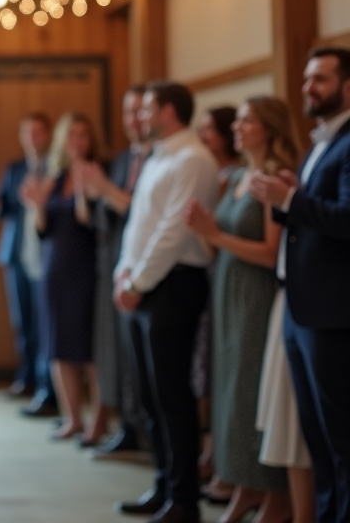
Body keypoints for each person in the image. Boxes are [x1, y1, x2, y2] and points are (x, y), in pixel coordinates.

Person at [186, 97, 298, 523]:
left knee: (253, 392)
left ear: (268, 128)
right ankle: (244, 487)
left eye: (246, 121)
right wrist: (203, 232)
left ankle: (273, 495)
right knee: (230, 390)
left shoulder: (271, 177)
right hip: (228, 290)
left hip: (257, 293)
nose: (237, 127)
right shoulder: (235, 176)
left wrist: (214, 236)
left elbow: (272, 252)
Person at [251, 47, 350, 523]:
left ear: (347, 87)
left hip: (331, 310)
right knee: (316, 437)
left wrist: (290, 197)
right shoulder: (319, 143)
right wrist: (291, 193)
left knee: (340, 436)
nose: (308, 87)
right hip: (298, 303)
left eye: (321, 80)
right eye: (307, 78)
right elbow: (312, 210)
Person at [114, 82, 219, 523]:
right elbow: (139, 226)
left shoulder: (192, 158)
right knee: (149, 397)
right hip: (143, 282)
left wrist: (138, 282)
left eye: (147, 109)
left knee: (171, 396)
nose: (139, 117)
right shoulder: (158, 156)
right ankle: (162, 483)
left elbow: (172, 234)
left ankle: (184, 498)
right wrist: (124, 271)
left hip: (173, 285)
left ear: (170, 111)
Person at [22, 112, 105, 445]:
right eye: (71, 135)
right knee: (58, 347)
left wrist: (85, 189)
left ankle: (97, 422)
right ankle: (72, 418)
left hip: (85, 270)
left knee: (87, 350)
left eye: (83, 135)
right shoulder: (54, 178)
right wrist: (37, 206)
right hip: (54, 269)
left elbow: (89, 221)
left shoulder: (97, 172)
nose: (77, 142)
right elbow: (43, 229)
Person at [78, 85, 149, 460]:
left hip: (149, 268)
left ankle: (143, 428)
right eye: (128, 112)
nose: (133, 120)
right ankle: (127, 425)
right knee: (114, 349)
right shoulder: (121, 159)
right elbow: (102, 218)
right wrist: (92, 195)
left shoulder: (162, 160)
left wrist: (105, 189)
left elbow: (143, 213)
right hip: (112, 261)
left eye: (140, 111)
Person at [0, 113, 57, 416]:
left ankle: (47, 387)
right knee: (23, 322)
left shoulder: (56, 169)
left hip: (49, 257)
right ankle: (26, 378)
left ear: (48, 135)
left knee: (46, 324)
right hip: (17, 256)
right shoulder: (15, 169)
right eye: (28, 132)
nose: (33, 138)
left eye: (39, 132)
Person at [193, 105, 240, 502]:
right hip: (211, 275)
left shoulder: (234, 176)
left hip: (236, 279)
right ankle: (210, 452)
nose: (204, 135)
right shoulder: (208, 171)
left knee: (220, 372)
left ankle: (219, 458)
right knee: (206, 370)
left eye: (210, 129)